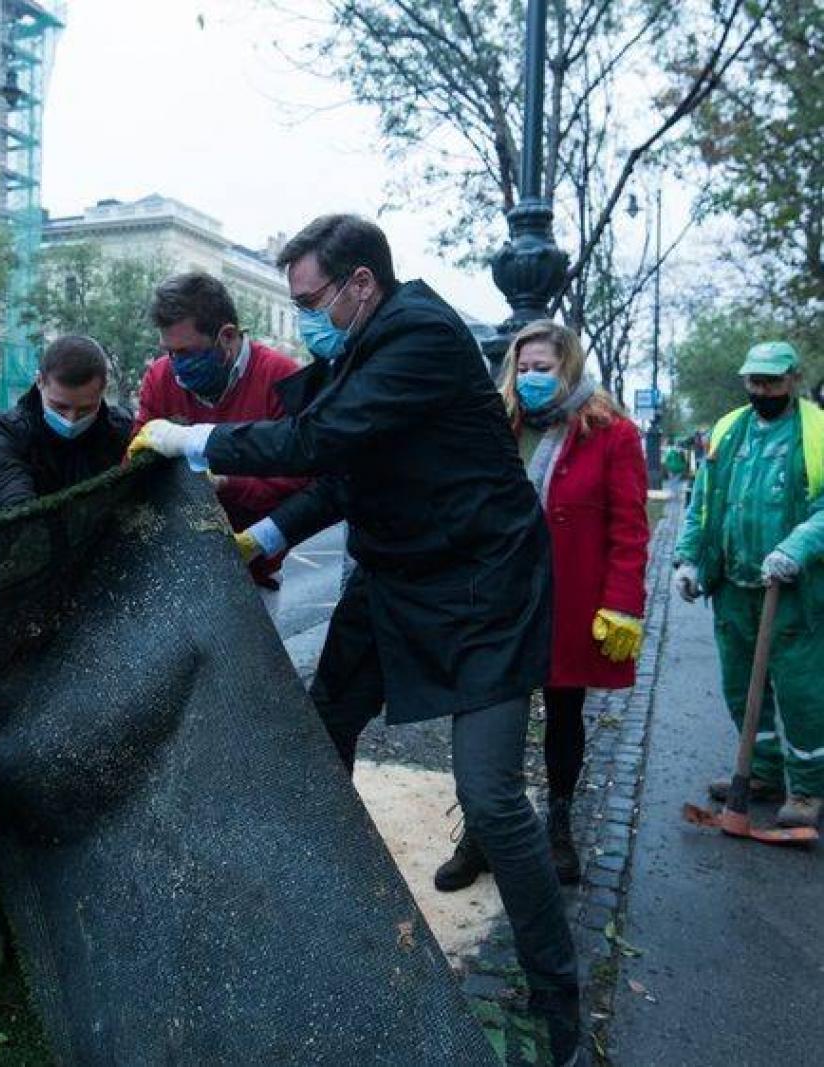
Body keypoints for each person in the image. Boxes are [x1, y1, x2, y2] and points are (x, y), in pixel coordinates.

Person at [130, 214, 583, 1064]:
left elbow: (316, 442)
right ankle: (326, 912)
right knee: (320, 729)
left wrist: (189, 438)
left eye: (308, 299)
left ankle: (557, 994)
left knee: (489, 793)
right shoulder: (362, 347)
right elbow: (349, 476)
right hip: (394, 576)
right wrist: (264, 540)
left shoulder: (418, 337)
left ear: (361, 284)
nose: (301, 317)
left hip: (481, 588)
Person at [435, 321, 648, 893]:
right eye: (522, 368)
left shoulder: (611, 434)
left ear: (569, 368)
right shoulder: (496, 424)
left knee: (562, 715)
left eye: (542, 368)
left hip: (567, 603)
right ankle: (481, 829)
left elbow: (629, 530)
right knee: (483, 715)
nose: (529, 378)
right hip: (497, 601)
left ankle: (558, 827)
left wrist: (623, 604)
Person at [673, 341, 824, 828]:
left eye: (771, 381)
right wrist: (688, 559)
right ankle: (761, 772)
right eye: (753, 381)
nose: (761, 390)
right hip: (734, 586)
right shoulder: (729, 430)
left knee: (801, 690)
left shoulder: (817, 433)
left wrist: (795, 548)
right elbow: (703, 501)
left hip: (793, 592)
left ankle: (807, 787)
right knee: (741, 688)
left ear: (793, 379)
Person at [133, 271, 310, 589]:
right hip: (174, 569)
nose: (175, 363)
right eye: (168, 351)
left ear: (226, 336)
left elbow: (299, 481)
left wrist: (227, 482)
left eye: (185, 352)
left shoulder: (282, 378)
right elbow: (137, 462)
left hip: (253, 571)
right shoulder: (160, 377)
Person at [0, 335, 133, 509]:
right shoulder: (7, 435)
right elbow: (17, 511)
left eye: (85, 410)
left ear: (103, 389)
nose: (71, 419)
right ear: (40, 381)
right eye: (59, 407)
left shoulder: (122, 430)